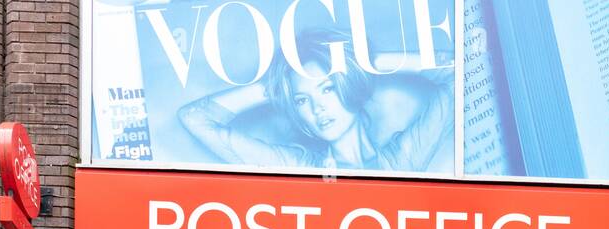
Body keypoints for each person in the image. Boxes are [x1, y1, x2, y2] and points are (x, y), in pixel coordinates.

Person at [178, 30, 453, 173]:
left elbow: (458, 72)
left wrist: (366, 64)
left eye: (327, 89)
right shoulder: (295, 166)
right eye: (301, 100)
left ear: (350, 84)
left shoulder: (402, 159)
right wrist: (278, 86)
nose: (317, 108)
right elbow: (195, 119)